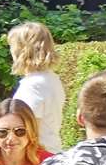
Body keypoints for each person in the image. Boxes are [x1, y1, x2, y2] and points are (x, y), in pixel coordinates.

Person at [7, 21, 65, 153]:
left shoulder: (33, 85)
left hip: (37, 158)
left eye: (12, 46)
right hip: (51, 151)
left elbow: (27, 131)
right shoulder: (51, 79)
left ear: (22, 50)